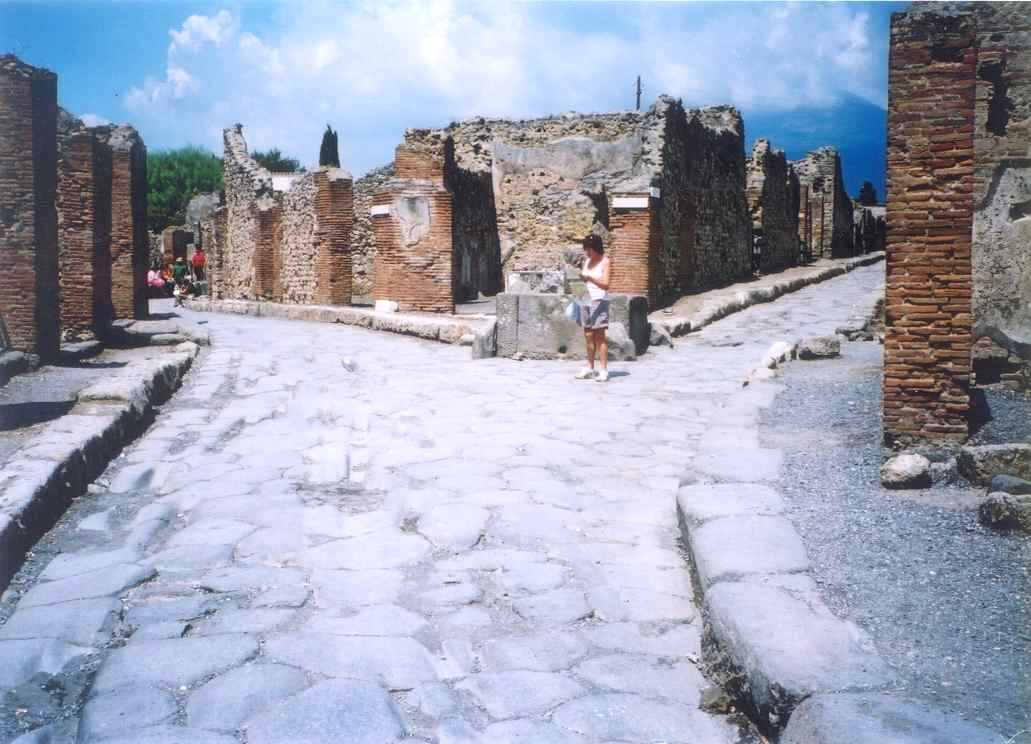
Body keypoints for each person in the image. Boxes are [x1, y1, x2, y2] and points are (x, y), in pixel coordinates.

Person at [575, 233, 612, 382]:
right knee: (588, 336)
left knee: (600, 337)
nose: (587, 252)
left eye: (589, 249)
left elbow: (606, 284)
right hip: (585, 300)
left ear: (596, 248)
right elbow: (584, 279)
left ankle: (603, 370)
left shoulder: (605, 261)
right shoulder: (587, 261)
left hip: (599, 301)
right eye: (586, 249)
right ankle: (589, 367)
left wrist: (590, 278)